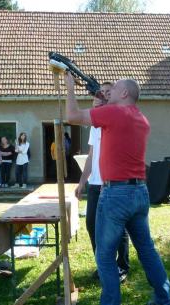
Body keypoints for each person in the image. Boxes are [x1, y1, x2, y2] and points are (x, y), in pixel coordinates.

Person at [65, 73, 170, 305]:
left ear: (125, 93)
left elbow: (72, 117)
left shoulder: (113, 114)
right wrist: (103, 98)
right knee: (147, 250)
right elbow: (112, 113)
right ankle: (164, 302)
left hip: (116, 194)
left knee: (104, 256)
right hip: (139, 192)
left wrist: (71, 87)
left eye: (114, 88)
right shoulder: (141, 119)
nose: (109, 91)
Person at [74, 82, 130, 284]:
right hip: (96, 184)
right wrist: (82, 182)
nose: (101, 96)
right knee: (92, 225)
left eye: (107, 93)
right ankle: (105, 265)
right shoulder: (95, 126)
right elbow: (91, 156)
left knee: (118, 227)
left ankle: (122, 266)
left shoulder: (117, 120)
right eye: (99, 94)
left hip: (113, 184)